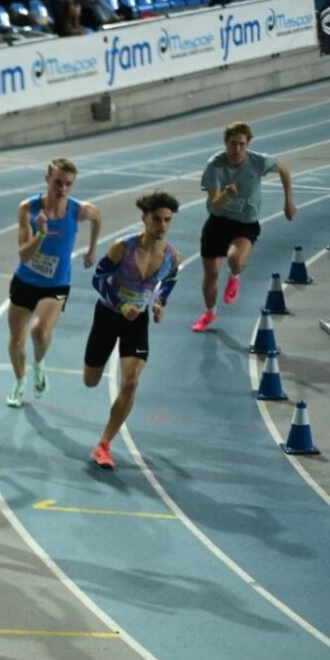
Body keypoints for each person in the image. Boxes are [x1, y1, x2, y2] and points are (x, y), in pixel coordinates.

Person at [85, 192, 181, 469]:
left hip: (137, 321)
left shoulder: (171, 257)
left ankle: (104, 444)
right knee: (91, 380)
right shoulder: (122, 248)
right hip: (107, 315)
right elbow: (98, 279)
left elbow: (171, 279)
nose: (162, 225)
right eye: (156, 219)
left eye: (167, 220)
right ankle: (94, 367)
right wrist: (121, 303)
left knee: (131, 381)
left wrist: (160, 302)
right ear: (144, 219)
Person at [6, 158, 102, 408]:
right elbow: (24, 255)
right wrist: (41, 233)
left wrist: (92, 249)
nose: (63, 188)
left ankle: (39, 364)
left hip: (56, 283)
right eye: (58, 182)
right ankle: (18, 383)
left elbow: (97, 216)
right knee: (17, 340)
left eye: (68, 184)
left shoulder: (78, 210)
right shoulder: (28, 209)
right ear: (47, 179)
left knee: (39, 332)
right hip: (25, 280)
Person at [191, 121, 296, 332]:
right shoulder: (215, 165)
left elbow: (283, 169)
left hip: (245, 224)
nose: (236, 149)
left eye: (241, 144)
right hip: (217, 222)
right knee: (210, 274)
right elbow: (213, 202)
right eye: (232, 144)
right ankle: (210, 312)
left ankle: (234, 276)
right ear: (225, 143)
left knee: (234, 259)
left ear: (247, 144)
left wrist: (288, 201)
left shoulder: (259, 162)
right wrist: (227, 196)